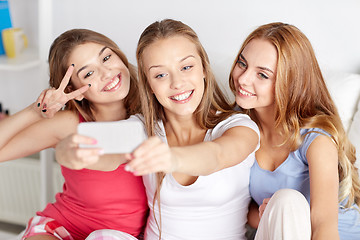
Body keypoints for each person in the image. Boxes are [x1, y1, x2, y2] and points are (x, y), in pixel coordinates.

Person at [56, 19, 260, 240]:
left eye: (186, 67)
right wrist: (67, 151)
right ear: (150, 86)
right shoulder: (144, 129)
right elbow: (98, 149)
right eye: (160, 75)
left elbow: (217, 156)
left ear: (203, 67)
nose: (177, 83)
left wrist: (171, 159)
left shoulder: (239, 125)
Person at [0, 29, 148, 239]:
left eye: (106, 57)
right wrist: (36, 110)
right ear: (73, 89)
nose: (106, 73)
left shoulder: (153, 111)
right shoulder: (70, 124)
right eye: (89, 73)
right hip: (62, 228)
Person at [229, 22, 360, 240]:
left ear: (290, 83)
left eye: (262, 75)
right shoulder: (237, 125)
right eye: (242, 64)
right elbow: (245, 210)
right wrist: (273, 215)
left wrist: (286, 211)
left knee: (288, 199)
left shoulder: (316, 140)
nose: (243, 79)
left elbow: (324, 226)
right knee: (284, 202)